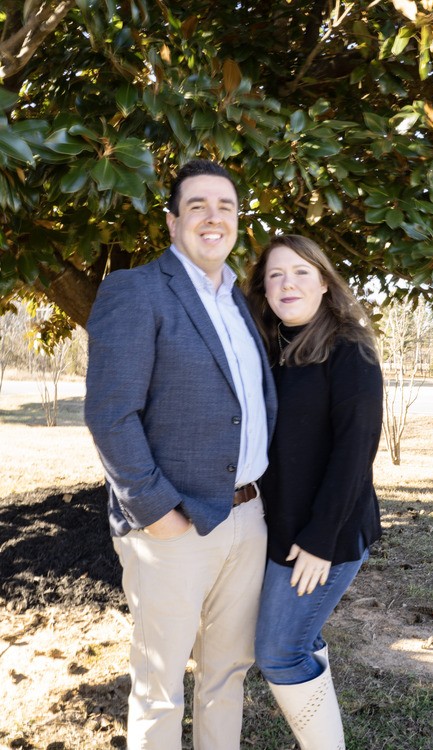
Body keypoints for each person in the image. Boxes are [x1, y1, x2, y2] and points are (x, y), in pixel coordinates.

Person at [84, 159, 277, 750]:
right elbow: (111, 414)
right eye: (197, 206)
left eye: (225, 207)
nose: (213, 218)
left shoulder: (243, 302)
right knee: (160, 686)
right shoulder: (136, 290)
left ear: (238, 220)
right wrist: (155, 511)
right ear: (172, 222)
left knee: (227, 674)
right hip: (173, 527)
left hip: (249, 518)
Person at [246, 234, 383, 750]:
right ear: (263, 287)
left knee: (279, 652)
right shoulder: (268, 348)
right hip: (278, 526)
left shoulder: (349, 350)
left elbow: (355, 452)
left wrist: (321, 539)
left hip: (327, 534)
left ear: (324, 282)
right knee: (297, 639)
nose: (288, 283)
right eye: (276, 274)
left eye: (302, 272)